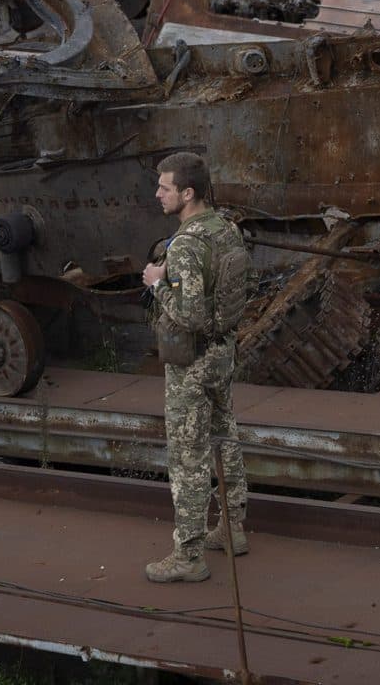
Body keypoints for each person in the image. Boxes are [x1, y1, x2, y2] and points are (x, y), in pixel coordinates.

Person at [139, 151, 250, 583]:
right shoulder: (226, 229)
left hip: (192, 361)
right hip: (223, 352)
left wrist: (158, 283)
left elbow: (188, 316)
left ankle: (188, 555)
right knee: (225, 437)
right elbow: (246, 285)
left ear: (187, 193)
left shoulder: (184, 243)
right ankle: (232, 528)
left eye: (165, 187)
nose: (158, 194)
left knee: (187, 456)